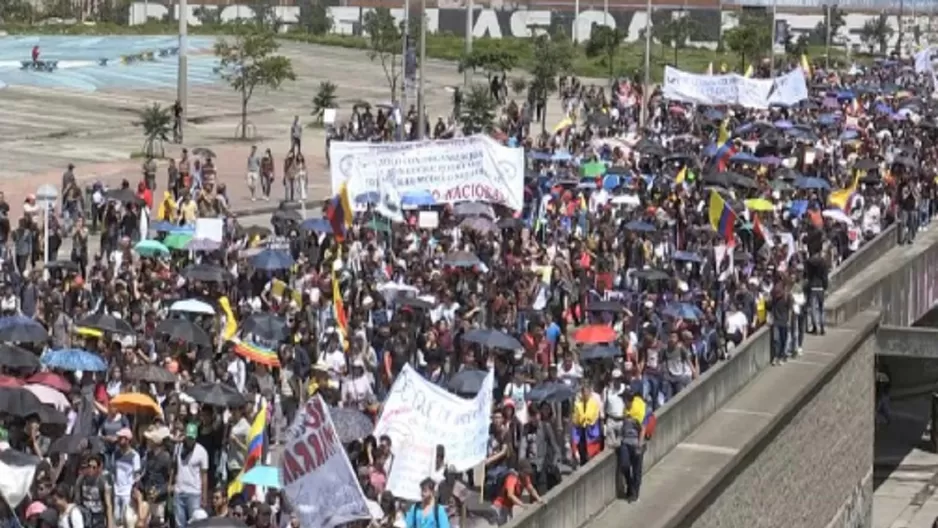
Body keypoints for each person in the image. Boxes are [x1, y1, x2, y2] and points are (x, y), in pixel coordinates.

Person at [172, 423, 209, 528]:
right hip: (179, 491)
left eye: (192, 438)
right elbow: (174, 467)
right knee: (179, 524)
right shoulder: (178, 448)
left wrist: (204, 496)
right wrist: (173, 485)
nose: (190, 440)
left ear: (196, 437)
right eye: (188, 437)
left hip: (194, 492)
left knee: (195, 524)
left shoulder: (202, 451)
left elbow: (204, 475)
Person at [619, 389, 646, 502]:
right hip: (625, 442)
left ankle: (635, 493)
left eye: (624, 400)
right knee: (624, 465)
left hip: (635, 443)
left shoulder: (637, 412)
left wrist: (639, 445)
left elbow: (642, 429)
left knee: (636, 470)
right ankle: (629, 484)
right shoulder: (625, 410)